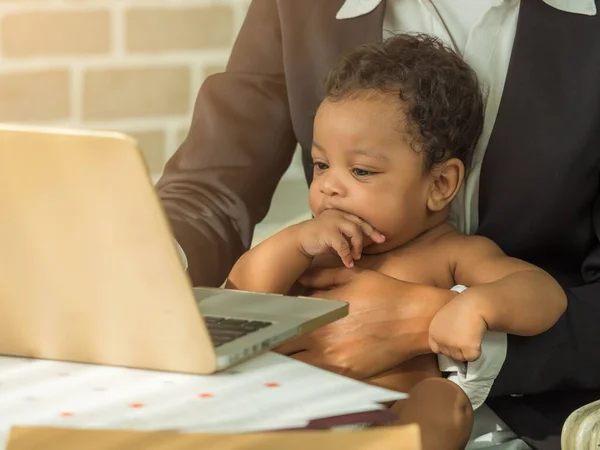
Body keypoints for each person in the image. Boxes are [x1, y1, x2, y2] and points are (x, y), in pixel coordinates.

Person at [156, 1, 600, 449]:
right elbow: (244, 290)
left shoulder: (453, 253)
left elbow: (541, 294)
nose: (328, 186)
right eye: (321, 164)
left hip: (416, 419)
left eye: (361, 172)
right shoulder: (321, 247)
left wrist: (474, 307)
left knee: (441, 402)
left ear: (441, 183)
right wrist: (292, 242)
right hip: (307, 413)